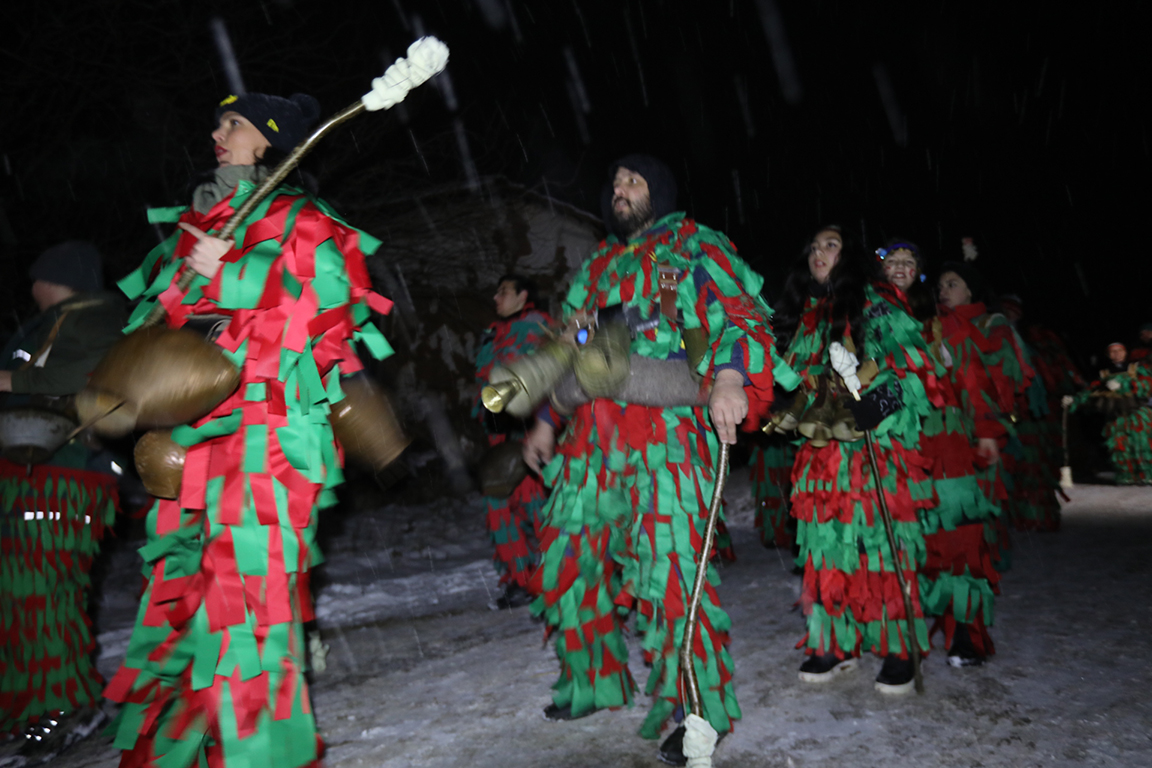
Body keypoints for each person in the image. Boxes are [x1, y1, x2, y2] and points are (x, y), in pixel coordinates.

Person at [103, 92, 395, 768]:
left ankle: (258, 756)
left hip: (269, 448)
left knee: (246, 616)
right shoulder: (198, 231)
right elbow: (166, 347)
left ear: (267, 142)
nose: (215, 131)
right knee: (180, 611)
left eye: (232, 123)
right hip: (192, 453)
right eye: (218, 121)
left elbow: (333, 314)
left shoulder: (303, 220)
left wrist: (231, 273)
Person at [522, 154, 795, 763]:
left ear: (660, 193)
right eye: (615, 181)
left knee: (669, 573)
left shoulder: (694, 245)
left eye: (634, 181)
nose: (619, 188)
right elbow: (569, 350)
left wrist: (728, 377)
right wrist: (545, 419)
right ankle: (593, 681)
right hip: (591, 441)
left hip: (666, 437)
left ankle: (699, 709)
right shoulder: (595, 266)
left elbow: (741, 315)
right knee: (568, 559)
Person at [771, 227, 936, 695]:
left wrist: (874, 406)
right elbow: (798, 385)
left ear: (849, 258)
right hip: (822, 457)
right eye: (813, 245)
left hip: (875, 450)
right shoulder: (807, 317)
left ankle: (899, 646)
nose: (817, 252)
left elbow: (913, 371)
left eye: (830, 244)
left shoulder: (875, 303)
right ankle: (837, 643)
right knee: (826, 547)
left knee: (882, 547)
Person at [0, 242, 125, 753]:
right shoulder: (49, 326)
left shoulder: (97, 318)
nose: (31, 289)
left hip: (65, 477)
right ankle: (28, 704)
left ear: (50, 278)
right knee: (18, 597)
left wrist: (11, 379)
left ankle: (65, 705)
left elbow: (92, 374)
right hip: (28, 476)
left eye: (36, 278)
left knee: (43, 592)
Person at [878, 241, 1003, 667]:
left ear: (919, 272)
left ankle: (965, 634)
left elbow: (973, 381)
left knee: (958, 539)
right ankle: (904, 635)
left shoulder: (943, 324)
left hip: (946, 446)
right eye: (891, 262)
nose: (899, 268)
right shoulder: (871, 322)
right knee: (910, 543)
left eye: (909, 262)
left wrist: (985, 431)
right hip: (898, 447)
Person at [935, 264, 1035, 571]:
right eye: (941, 285)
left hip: (978, 428)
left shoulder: (992, 324)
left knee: (978, 498)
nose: (944, 291)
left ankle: (977, 564)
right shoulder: (934, 325)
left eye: (952, 284)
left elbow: (999, 384)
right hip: (943, 428)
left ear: (970, 291)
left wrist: (987, 429)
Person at [474, 274, 551, 609]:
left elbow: (547, 377)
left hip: (531, 433)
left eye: (503, 291)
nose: (496, 297)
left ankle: (556, 576)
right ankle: (520, 579)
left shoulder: (540, 327)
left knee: (539, 509)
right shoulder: (491, 337)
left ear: (523, 295)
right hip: (500, 438)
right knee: (498, 508)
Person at [1067, 343, 1152, 485]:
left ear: (1125, 353)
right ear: (1108, 355)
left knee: (1142, 443)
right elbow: (1090, 391)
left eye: (1119, 351)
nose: (1117, 354)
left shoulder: (1137, 369)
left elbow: (1146, 386)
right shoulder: (1104, 374)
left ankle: (1147, 473)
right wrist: (1075, 399)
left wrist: (1125, 384)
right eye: (1112, 352)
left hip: (1137, 413)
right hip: (1116, 415)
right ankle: (1127, 475)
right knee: (1120, 445)